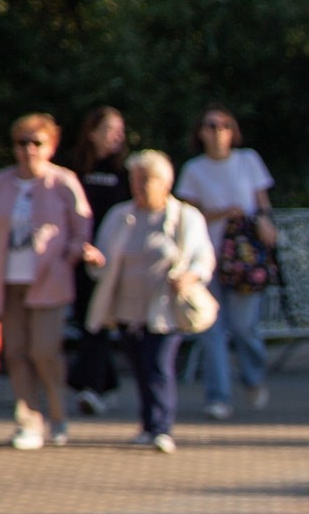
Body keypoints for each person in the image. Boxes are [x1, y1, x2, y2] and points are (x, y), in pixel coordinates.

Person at [0, 113, 97, 449]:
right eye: (22, 142)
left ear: (51, 146)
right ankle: (28, 421)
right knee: (15, 352)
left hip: (48, 282)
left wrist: (68, 256)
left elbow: (81, 227)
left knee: (44, 351)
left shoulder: (63, 181)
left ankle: (58, 416)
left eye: (36, 142)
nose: (28, 149)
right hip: (6, 281)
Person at [86, 151, 213, 454]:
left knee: (158, 365)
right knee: (139, 366)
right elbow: (103, 265)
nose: (139, 186)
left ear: (165, 182)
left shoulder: (186, 217)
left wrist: (190, 277)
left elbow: (204, 258)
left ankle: (161, 428)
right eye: (135, 179)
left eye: (146, 179)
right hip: (127, 307)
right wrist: (96, 261)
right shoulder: (120, 216)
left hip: (165, 307)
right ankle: (147, 425)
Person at [174, 105, 275, 421]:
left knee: (244, 326)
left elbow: (263, 205)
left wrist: (265, 222)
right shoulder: (194, 170)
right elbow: (187, 216)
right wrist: (222, 212)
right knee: (211, 329)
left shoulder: (248, 161)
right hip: (206, 258)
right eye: (211, 125)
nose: (218, 131)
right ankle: (218, 397)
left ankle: (253, 378)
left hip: (244, 260)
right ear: (201, 132)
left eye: (225, 125)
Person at [65, 106, 131, 415]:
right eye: (110, 129)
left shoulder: (125, 172)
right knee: (87, 319)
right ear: (92, 133)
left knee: (99, 320)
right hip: (80, 255)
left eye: (121, 130)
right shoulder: (74, 168)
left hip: (113, 257)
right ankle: (107, 384)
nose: (117, 136)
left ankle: (88, 385)